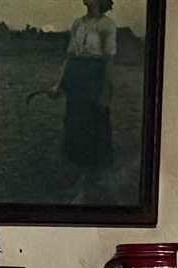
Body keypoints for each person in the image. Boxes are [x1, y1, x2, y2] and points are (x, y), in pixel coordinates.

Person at [58, 0, 120, 185]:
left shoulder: (107, 25)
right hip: (76, 77)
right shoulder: (78, 23)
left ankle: (93, 175)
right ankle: (77, 171)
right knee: (74, 122)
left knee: (94, 123)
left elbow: (108, 60)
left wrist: (106, 89)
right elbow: (69, 57)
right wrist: (58, 83)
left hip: (95, 77)